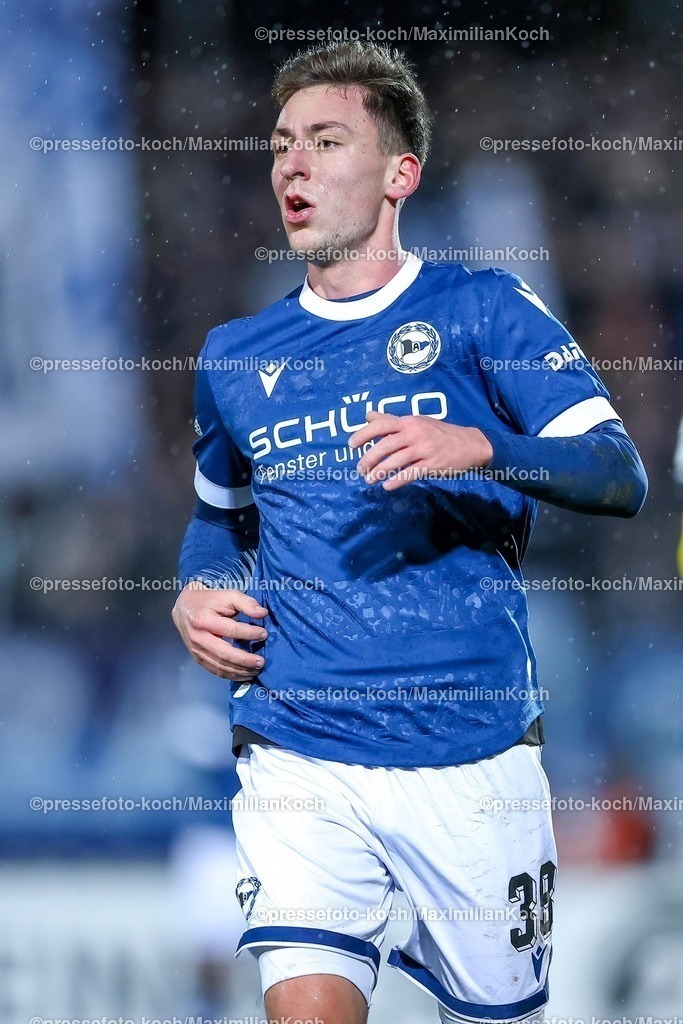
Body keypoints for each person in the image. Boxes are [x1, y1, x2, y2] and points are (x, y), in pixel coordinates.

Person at [172, 40, 647, 1024]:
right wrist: (198, 584)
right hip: (298, 748)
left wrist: (482, 444)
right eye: (280, 145)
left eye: (325, 140)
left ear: (398, 175)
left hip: (472, 758)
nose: (292, 166)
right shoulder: (234, 354)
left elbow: (617, 474)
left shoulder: (482, 308)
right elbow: (214, 520)